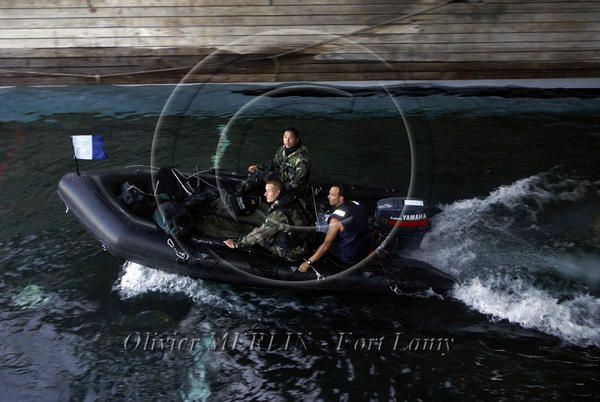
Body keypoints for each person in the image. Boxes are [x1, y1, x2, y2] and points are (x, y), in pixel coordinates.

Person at [224, 179, 310, 261]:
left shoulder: (278, 215)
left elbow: (258, 235)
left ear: (278, 192)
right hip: (305, 242)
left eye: (269, 191)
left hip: (294, 252)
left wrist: (237, 244)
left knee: (258, 234)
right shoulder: (295, 200)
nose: (265, 194)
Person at [298, 185, 371, 272]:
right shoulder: (358, 204)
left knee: (318, 238)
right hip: (364, 251)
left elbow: (326, 245)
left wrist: (308, 262)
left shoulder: (335, 219)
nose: (328, 197)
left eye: (332, 195)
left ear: (341, 198)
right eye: (329, 194)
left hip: (348, 257)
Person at [247, 127, 311, 197]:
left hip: (295, 188)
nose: (287, 140)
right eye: (285, 137)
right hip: (282, 178)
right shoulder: (282, 150)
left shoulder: (302, 158)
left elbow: (299, 181)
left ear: (297, 140)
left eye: (290, 138)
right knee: (259, 175)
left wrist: (280, 187)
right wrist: (257, 167)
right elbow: (274, 163)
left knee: (274, 194)